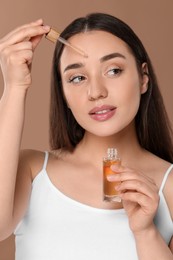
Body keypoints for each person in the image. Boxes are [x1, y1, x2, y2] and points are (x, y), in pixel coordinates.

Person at [0, 12, 172, 260]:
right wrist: (15, 87)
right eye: (77, 78)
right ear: (64, 94)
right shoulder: (32, 171)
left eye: (113, 70)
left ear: (143, 78)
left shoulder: (169, 186)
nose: (96, 92)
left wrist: (145, 232)